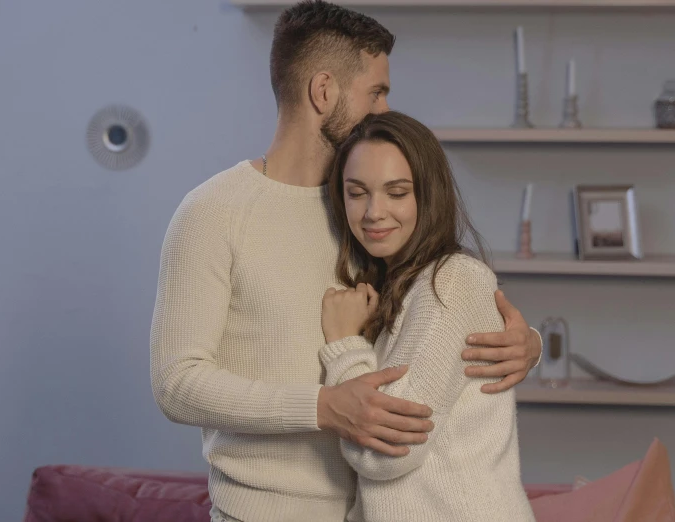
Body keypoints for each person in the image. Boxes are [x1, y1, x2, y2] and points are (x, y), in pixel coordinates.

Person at [150, 2, 542, 521]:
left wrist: (525, 344)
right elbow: (177, 383)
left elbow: (433, 311)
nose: (384, 110)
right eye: (375, 92)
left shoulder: (367, 214)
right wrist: (322, 407)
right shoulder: (212, 213)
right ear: (324, 91)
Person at [320, 111, 535, 522]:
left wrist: (344, 346)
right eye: (357, 192)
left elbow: (386, 454)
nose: (373, 212)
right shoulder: (399, 284)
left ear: (428, 194)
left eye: (397, 192)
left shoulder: (451, 280)